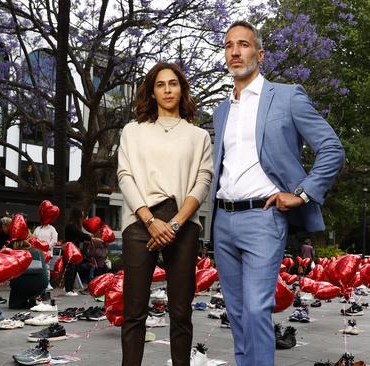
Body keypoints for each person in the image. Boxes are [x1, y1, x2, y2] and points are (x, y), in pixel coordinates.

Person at [211, 21, 345, 366]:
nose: (235, 51)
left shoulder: (286, 97)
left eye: (243, 44)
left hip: (263, 218)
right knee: (237, 312)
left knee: (256, 307)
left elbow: (332, 148)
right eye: (229, 45)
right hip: (223, 220)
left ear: (260, 53)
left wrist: (301, 194)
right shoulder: (222, 110)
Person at [117, 62, 213, 365]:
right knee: (133, 312)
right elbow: (125, 176)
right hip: (140, 222)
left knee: (182, 313)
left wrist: (173, 224)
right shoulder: (133, 131)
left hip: (182, 224)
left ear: (182, 89)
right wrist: (149, 219)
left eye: (173, 83)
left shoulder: (198, 136)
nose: (168, 89)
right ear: (152, 91)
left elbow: (203, 181)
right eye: (161, 84)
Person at [63, 208, 96, 296]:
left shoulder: (75, 226)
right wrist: (90, 237)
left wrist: (89, 239)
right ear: (77, 216)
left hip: (75, 250)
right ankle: (68, 289)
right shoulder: (71, 226)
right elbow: (80, 235)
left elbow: (80, 237)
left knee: (74, 269)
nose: (82, 217)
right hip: (70, 250)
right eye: (81, 215)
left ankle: (70, 288)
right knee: (70, 269)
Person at [8, 239, 49, 309]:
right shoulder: (39, 252)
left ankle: (21, 301)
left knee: (14, 304)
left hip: (20, 285)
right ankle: (37, 296)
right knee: (38, 281)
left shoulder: (13, 254)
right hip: (41, 284)